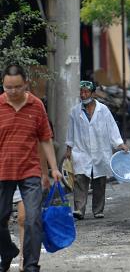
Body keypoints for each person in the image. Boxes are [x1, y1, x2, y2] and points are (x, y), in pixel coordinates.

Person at [0, 63, 62, 272]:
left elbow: (45, 139)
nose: (13, 91)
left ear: (25, 84)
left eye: (17, 87)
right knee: (0, 217)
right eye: (8, 87)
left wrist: (53, 169)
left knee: (33, 218)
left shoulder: (36, 106)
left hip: (30, 172)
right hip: (3, 171)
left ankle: (31, 264)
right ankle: (7, 250)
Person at [65, 81, 128, 220]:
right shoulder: (75, 111)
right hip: (81, 151)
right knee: (80, 179)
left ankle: (98, 210)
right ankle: (79, 210)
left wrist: (119, 143)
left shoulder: (103, 110)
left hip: (100, 150)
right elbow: (70, 132)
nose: (83, 94)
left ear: (93, 94)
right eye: (81, 92)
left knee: (99, 181)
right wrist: (69, 148)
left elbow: (112, 128)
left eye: (86, 92)